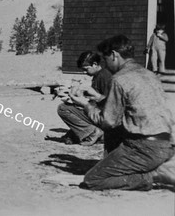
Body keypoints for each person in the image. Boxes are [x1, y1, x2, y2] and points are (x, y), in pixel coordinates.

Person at [70, 35, 175, 190]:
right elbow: (134, 106)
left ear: (114, 55)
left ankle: (155, 175)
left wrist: (85, 104)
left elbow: (108, 122)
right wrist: (99, 97)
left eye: (105, 60)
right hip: (166, 144)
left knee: (93, 179)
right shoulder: (149, 75)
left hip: (143, 147)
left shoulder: (119, 78)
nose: (106, 65)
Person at [57, 51, 113, 148]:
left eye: (86, 69)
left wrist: (83, 102)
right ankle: (90, 133)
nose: (84, 72)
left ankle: (93, 132)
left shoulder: (104, 77)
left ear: (95, 64)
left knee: (63, 109)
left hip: (103, 117)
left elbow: (109, 102)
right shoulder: (99, 76)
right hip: (100, 114)